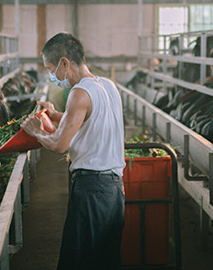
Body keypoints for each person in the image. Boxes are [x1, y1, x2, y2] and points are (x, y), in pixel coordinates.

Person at [21, 32, 125, 270]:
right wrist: (55, 113)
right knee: (106, 260)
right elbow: (84, 119)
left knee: (78, 261)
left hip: (91, 190)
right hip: (114, 190)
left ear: (64, 63)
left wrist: (36, 130)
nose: (51, 75)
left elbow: (59, 145)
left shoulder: (79, 93)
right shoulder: (107, 86)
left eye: (50, 68)